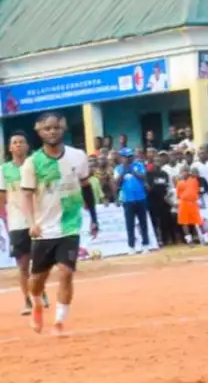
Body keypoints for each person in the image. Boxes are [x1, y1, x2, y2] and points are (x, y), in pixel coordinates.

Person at [19, 113, 99, 334]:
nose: (52, 131)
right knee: (37, 280)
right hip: (44, 229)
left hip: (70, 226)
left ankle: (59, 321)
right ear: (39, 131)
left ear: (62, 129)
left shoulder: (78, 156)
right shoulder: (32, 163)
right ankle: (36, 302)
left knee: (66, 272)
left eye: (56, 127)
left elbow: (85, 186)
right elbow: (26, 196)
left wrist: (93, 217)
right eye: (47, 128)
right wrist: (31, 223)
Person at [0, 131, 49, 315]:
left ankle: (40, 292)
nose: (19, 145)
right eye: (15, 143)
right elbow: (1, 197)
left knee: (39, 262)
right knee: (22, 265)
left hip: (36, 221)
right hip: (16, 223)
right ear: (10, 147)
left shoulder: (33, 167)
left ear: (28, 147)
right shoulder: (4, 170)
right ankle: (27, 301)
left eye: (22, 142)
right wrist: (5, 219)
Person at [114, 151, 152, 254]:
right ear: (122, 158)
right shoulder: (118, 168)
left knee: (143, 223)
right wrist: (124, 172)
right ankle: (131, 247)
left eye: (130, 156)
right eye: (126, 157)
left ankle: (145, 245)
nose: (128, 158)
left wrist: (133, 171)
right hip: (127, 200)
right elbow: (116, 183)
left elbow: (144, 177)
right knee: (129, 224)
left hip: (141, 198)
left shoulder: (139, 165)